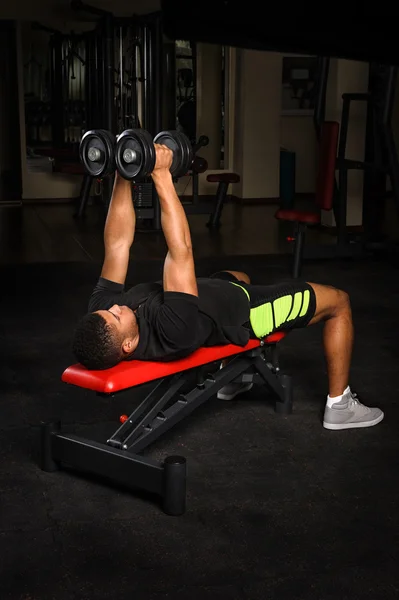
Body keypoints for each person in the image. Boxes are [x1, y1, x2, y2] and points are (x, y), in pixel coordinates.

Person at [72, 144, 384, 431]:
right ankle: (340, 405)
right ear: (127, 346)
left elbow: (117, 244)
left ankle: (237, 376)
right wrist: (162, 176)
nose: (113, 307)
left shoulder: (101, 317)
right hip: (250, 313)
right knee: (339, 302)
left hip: (216, 297)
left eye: (107, 310)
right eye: (115, 316)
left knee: (238, 274)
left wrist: (121, 173)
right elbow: (180, 250)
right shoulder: (170, 330)